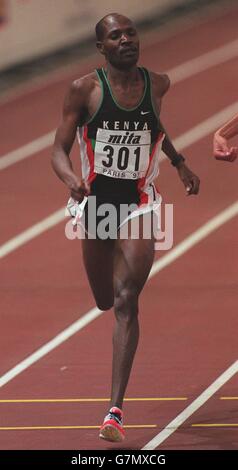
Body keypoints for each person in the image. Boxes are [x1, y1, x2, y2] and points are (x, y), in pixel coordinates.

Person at [52, 12, 200, 443]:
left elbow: (151, 124)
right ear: (102, 48)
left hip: (139, 204)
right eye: (115, 36)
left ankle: (114, 412)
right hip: (95, 204)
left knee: (126, 298)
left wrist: (177, 161)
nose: (126, 40)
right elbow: (58, 149)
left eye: (130, 32)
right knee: (103, 299)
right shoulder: (85, 90)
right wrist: (70, 179)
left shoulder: (158, 83)